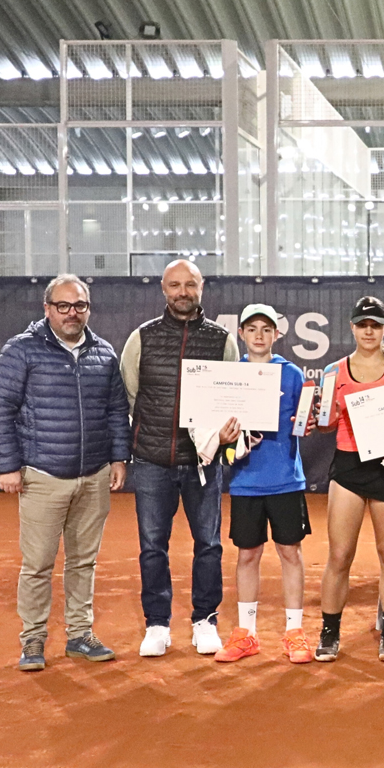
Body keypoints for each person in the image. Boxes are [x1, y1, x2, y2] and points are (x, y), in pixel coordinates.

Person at [0, 274, 130, 671]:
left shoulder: (104, 352)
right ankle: (32, 640)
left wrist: (119, 457)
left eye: (79, 305)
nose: (72, 313)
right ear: (47, 309)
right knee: (38, 564)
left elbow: (117, 410)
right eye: (63, 306)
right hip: (42, 476)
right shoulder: (21, 350)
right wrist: (8, 466)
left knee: (84, 561)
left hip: (94, 474)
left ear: (88, 309)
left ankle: (80, 635)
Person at [120, 259, 241, 658]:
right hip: (153, 461)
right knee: (153, 545)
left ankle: (205, 620)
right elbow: (131, 397)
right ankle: (157, 624)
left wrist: (219, 438)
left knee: (208, 544)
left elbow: (232, 401)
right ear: (163, 289)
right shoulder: (142, 338)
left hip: (204, 464)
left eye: (190, 284)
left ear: (201, 287)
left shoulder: (222, 340)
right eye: (175, 285)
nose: (183, 291)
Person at [314, 296, 384, 663]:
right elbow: (326, 424)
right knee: (340, 554)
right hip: (348, 467)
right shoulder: (334, 372)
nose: (369, 331)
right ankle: (329, 633)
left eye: (375, 325)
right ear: (353, 328)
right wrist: (318, 413)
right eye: (363, 324)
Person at [215, 304, 315, 665]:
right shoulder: (229, 375)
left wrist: (307, 421)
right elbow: (218, 432)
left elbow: (303, 424)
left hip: (286, 481)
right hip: (245, 482)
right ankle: (247, 633)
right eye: (252, 328)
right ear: (241, 333)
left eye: (266, 329)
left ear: (276, 334)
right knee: (248, 555)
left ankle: (294, 631)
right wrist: (229, 439)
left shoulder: (291, 374)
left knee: (290, 553)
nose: (259, 335)